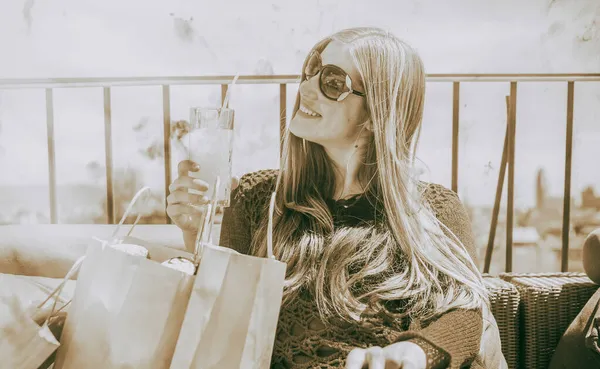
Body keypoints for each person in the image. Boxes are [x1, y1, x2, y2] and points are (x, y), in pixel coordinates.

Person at [167, 27, 504, 369]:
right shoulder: (256, 199)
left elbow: (465, 314)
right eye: (312, 69)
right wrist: (196, 235)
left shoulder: (434, 209)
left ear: (376, 114)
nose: (304, 88)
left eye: (332, 82)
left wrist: (418, 353)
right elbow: (224, 319)